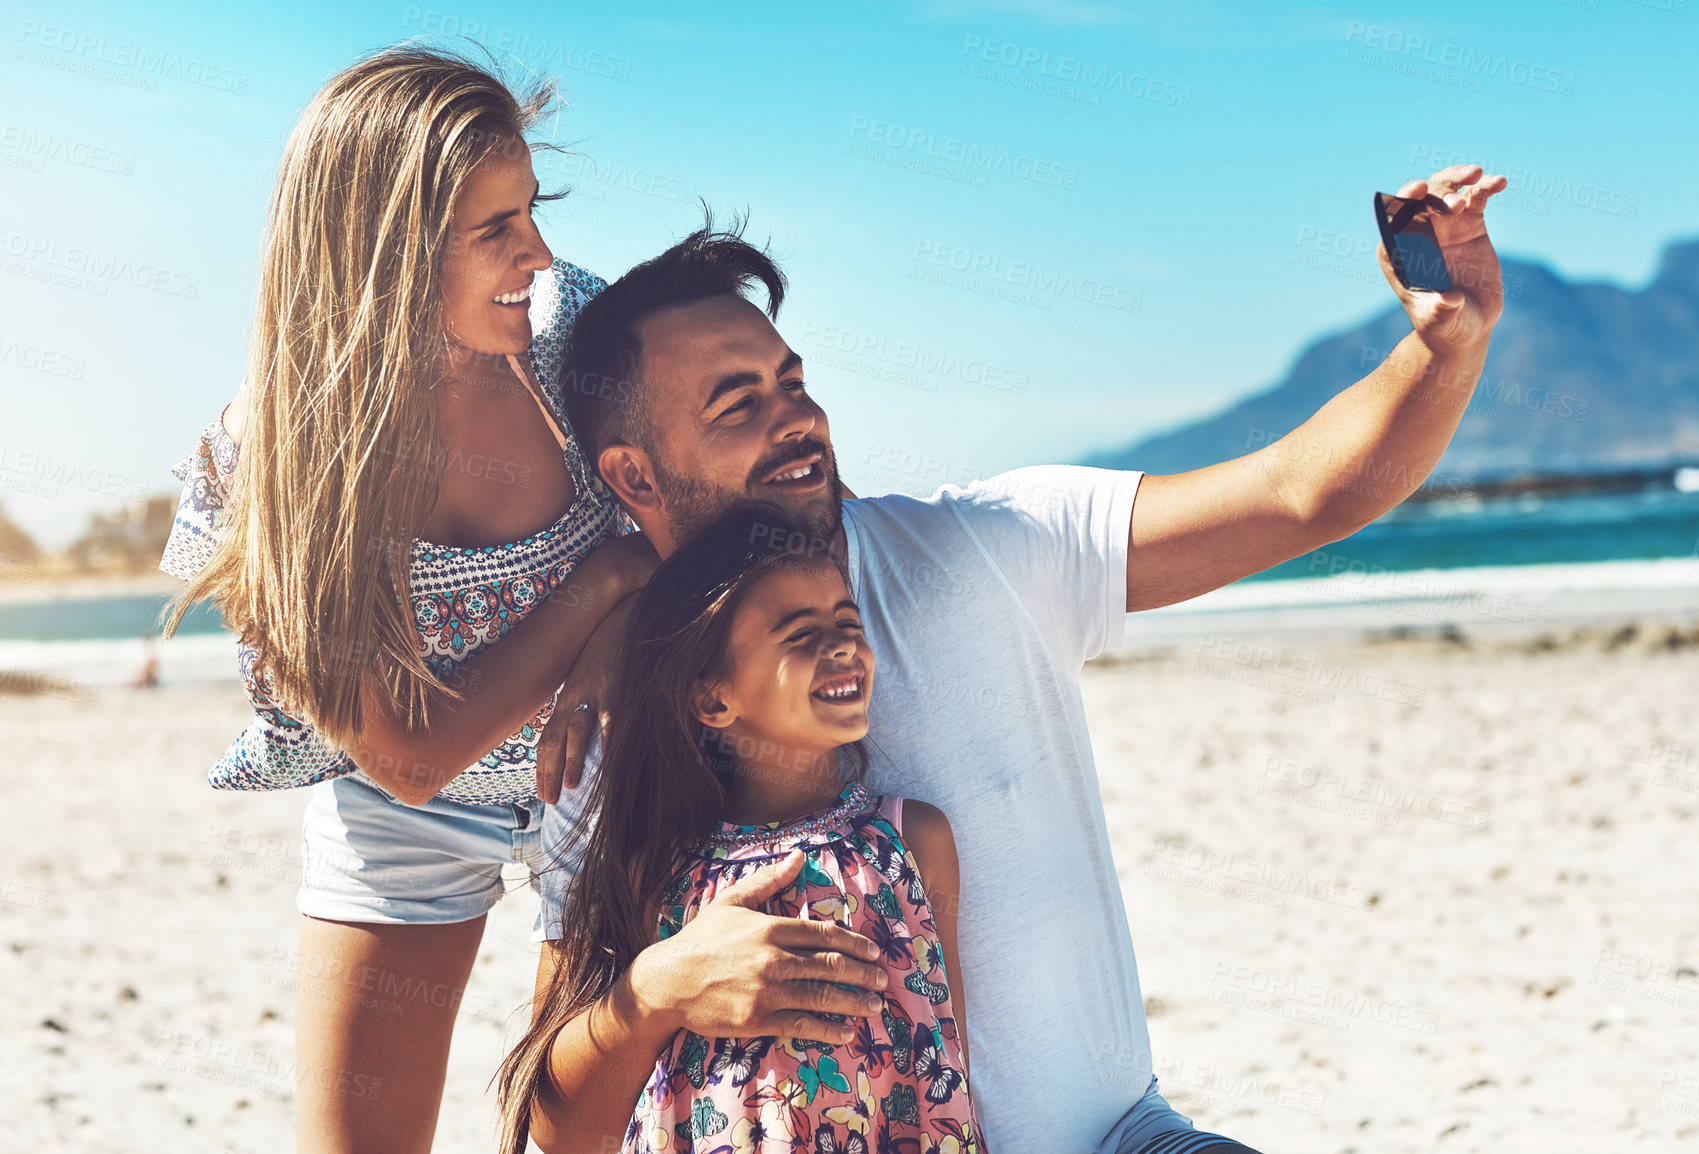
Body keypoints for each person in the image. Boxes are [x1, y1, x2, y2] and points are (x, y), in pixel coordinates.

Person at [526, 166, 1507, 1154]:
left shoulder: (986, 548)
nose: (795, 420)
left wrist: (1445, 346)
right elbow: (547, 1120)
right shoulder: (612, 725)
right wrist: (650, 994)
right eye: (737, 404)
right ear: (633, 473)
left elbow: (1303, 494)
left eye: (793, 383)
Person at [155, 47, 658, 1153]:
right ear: (380, 253)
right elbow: (409, 757)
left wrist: (626, 620)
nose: (539, 253)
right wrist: (605, 579)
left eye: (533, 210)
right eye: (495, 230)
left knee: (572, 1137)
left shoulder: (573, 335)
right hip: (403, 808)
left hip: (604, 772)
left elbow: (698, 527)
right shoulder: (273, 458)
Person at [497, 503, 985, 1154]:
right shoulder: (657, 869)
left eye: (848, 621)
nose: (842, 644)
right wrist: (657, 991)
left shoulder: (911, 840)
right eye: (798, 633)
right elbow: (564, 1126)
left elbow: (946, 1061)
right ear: (713, 698)